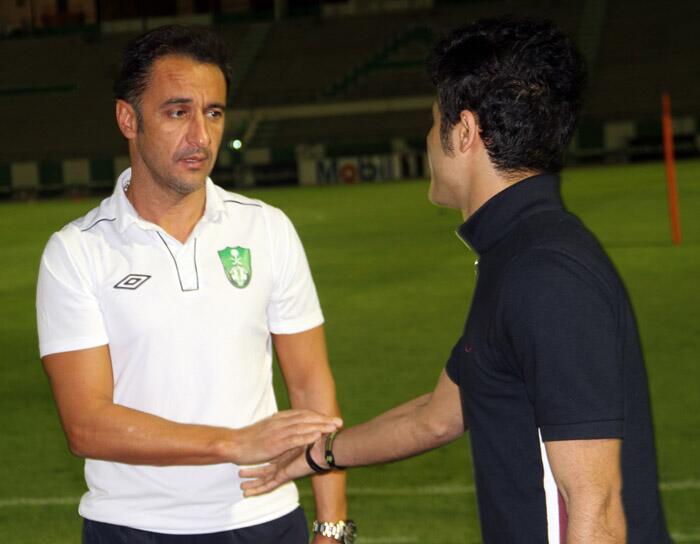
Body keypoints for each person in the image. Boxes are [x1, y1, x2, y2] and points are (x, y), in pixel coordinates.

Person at [239, 17, 672, 544]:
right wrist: (314, 456)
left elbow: (596, 509)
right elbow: (436, 416)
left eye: (432, 122)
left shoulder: (545, 274)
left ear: (463, 132)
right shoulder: (518, 254)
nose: (426, 140)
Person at [36, 25, 353, 544]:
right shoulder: (76, 252)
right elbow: (86, 425)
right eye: (178, 112)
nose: (201, 137)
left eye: (214, 113)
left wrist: (332, 526)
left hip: (266, 521)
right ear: (128, 119)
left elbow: (311, 388)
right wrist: (231, 443)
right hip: (134, 528)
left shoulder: (266, 228)